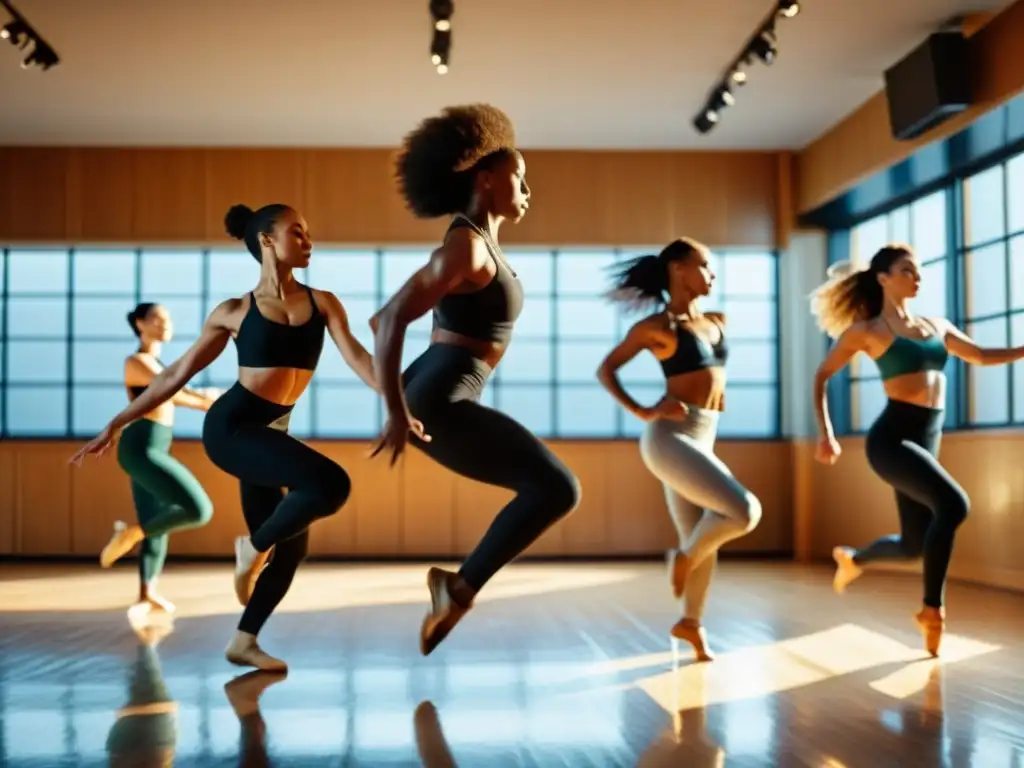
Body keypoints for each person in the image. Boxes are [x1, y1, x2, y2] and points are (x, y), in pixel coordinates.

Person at [71, 202, 378, 672]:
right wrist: (118, 420)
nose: (309, 240)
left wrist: (398, 402)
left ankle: (244, 640)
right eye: (297, 232)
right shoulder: (234, 312)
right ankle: (250, 550)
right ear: (267, 241)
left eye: (309, 232)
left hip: (270, 435)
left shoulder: (323, 302)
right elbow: (174, 374)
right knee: (330, 484)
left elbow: (358, 355)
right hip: (232, 430)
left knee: (293, 545)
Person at [370, 104, 581, 656]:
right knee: (556, 489)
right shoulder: (464, 244)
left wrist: (401, 398)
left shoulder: (481, 244)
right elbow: (388, 319)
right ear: (486, 179)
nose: (528, 190)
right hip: (439, 398)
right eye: (520, 177)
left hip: (442, 388)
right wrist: (397, 408)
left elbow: (392, 324)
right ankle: (456, 590)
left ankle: (455, 589)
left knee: (551, 489)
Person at [810, 243, 1024, 657]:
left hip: (928, 438)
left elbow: (978, 355)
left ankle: (854, 559)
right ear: (883, 278)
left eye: (918, 269)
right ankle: (932, 609)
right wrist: (826, 433)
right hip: (891, 441)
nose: (917, 276)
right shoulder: (868, 331)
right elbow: (822, 375)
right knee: (954, 505)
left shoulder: (937, 326)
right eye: (907, 270)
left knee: (912, 544)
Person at [597, 238, 762, 662]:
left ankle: (690, 624)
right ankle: (682, 558)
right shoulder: (657, 328)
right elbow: (607, 368)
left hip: (703, 438)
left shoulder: (716, 321)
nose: (712, 275)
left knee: (706, 538)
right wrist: (643, 410)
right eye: (704, 266)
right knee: (743, 512)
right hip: (670, 440)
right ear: (678, 269)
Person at [100, 302, 217, 622]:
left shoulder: (157, 362)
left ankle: (146, 594)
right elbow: (170, 390)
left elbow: (180, 386)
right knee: (198, 510)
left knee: (158, 522)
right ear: (140, 324)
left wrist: (207, 397)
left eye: (168, 319)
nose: (165, 324)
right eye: (156, 318)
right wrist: (206, 402)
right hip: (141, 450)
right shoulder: (136, 361)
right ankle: (131, 533)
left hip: (156, 448)